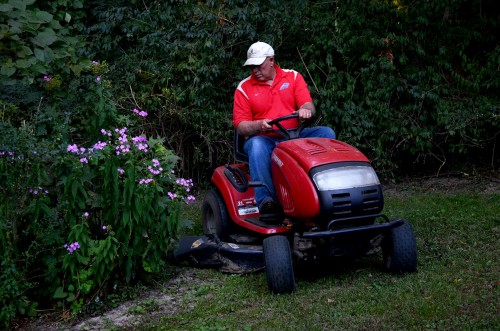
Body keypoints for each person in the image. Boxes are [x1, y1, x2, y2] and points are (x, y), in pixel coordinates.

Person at [233, 41, 336, 214]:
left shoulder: (293, 77)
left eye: (258, 65)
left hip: (295, 135)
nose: (255, 70)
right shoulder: (244, 88)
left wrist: (305, 110)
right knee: (256, 145)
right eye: (252, 66)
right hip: (267, 139)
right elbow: (241, 126)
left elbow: (308, 104)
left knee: (327, 133)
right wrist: (259, 125)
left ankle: (327, 189)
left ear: (271, 60)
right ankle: (267, 201)